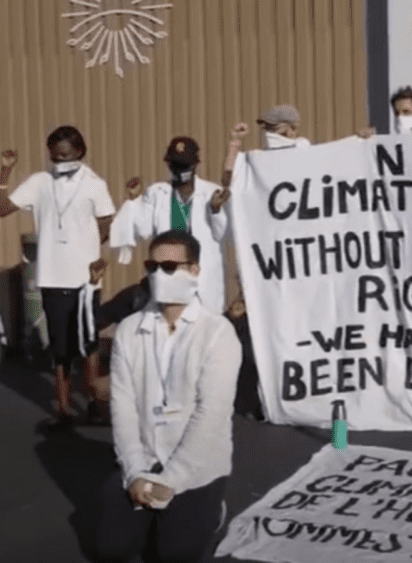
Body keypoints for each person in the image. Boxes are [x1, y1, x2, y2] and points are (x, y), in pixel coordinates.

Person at [95, 229, 241, 563]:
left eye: (171, 267)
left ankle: (210, 509)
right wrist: (133, 471)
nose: (160, 274)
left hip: (198, 465)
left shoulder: (217, 333)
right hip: (145, 457)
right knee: (110, 549)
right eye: (152, 266)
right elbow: (123, 406)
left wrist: (172, 480)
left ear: (194, 271)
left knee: (176, 554)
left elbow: (212, 413)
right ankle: (151, 513)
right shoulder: (130, 330)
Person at [0, 129, 115, 429]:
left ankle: (93, 403)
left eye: (66, 154)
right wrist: (4, 173)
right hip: (52, 277)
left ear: (80, 152)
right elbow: (2, 209)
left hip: (86, 281)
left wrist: (94, 250)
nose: (60, 160)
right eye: (55, 155)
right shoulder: (39, 182)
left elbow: (107, 221)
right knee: (60, 348)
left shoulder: (94, 184)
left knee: (88, 344)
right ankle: (63, 410)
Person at [109, 137, 230, 315]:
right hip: (169, 267)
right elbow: (144, 230)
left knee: (204, 323)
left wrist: (216, 210)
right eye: (175, 165)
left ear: (195, 164)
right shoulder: (157, 192)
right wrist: (135, 200)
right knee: (168, 316)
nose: (180, 170)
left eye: (184, 165)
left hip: (200, 269)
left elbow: (222, 235)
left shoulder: (212, 192)